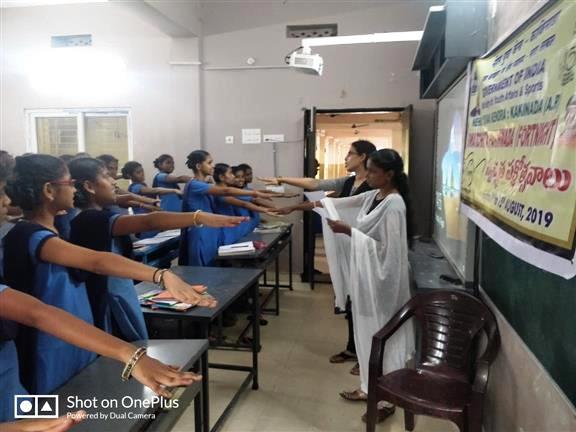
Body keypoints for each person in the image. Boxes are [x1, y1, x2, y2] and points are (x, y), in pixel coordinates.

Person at [0, 154, 200, 424]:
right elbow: (96, 262)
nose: (74, 189)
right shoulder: (29, 235)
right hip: (48, 350)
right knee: (57, 412)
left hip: (75, 337)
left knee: (83, 407)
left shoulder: (59, 226)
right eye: (69, 182)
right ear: (49, 190)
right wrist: (160, 275)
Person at [68, 157, 245, 341]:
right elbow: (149, 221)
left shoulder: (96, 215)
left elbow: (129, 202)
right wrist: (198, 217)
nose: (113, 181)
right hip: (108, 297)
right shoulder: (89, 219)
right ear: (89, 186)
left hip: (118, 290)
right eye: (106, 176)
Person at [261, 140, 377, 372]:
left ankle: (369, 358)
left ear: (363, 157)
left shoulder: (374, 185)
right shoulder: (348, 182)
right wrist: (290, 199)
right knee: (351, 301)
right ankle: (353, 348)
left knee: (367, 306)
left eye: (350, 153)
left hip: (367, 250)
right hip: (349, 250)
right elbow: (318, 189)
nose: (345, 158)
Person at [318, 148, 414, 423]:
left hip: (384, 285)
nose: (368, 175)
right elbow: (341, 203)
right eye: (368, 169)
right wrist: (305, 206)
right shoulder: (374, 195)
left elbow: (389, 253)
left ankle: (387, 400)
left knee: (385, 340)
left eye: (373, 171)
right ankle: (368, 387)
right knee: (367, 337)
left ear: (389, 174)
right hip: (368, 279)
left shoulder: (394, 204)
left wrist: (349, 231)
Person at [179, 150, 273, 266]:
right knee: (202, 268)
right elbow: (226, 191)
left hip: (209, 231)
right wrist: (255, 193)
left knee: (212, 266)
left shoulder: (204, 185)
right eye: (209, 163)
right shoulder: (194, 185)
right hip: (200, 233)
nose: (212, 166)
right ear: (199, 166)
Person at [212, 163, 276, 244]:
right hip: (228, 232)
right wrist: (267, 210)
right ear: (221, 177)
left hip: (235, 229)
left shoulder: (228, 191)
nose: (233, 176)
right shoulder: (220, 192)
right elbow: (244, 203)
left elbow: (252, 196)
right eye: (230, 173)